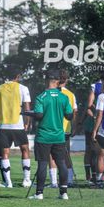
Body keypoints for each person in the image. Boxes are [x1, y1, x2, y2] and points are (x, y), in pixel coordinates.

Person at [28, 70, 74, 200]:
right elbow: (69, 116)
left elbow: (39, 116)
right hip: (59, 136)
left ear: (46, 80)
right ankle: (64, 193)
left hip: (43, 136)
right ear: (57, 81)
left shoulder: (41, 97)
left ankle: (39, 193)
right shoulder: (63, 97)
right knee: (61, 163)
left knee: (42, 164)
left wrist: (30, 114)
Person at [0, 71, 32, 188]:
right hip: (18, 124)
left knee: (5, 153)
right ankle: (26, 180)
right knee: (25, 149)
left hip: (3, 125)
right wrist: (27, 122)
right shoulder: (23, 88)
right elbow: (27, 107)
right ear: (18, 76)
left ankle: (8, 182)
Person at [48, 70, 77, 187]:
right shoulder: (71, 94)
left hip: (52, 128)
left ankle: (54, 182)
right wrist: (74, 126)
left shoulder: (50, 92)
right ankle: (69, 180)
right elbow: (74, 112)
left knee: (51, 155)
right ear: (67, 80)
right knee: (66, 155)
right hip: (66, 129)